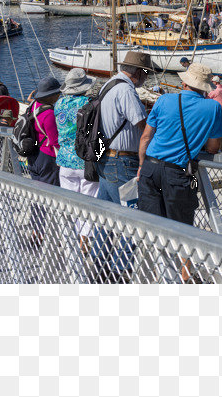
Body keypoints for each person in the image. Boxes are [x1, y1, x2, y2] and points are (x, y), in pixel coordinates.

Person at [137, 62, 222, 231]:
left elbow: (145, 137)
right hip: (176, 172)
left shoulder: (163, 99)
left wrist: (141, 165)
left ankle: (154, 256)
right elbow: (213, 148)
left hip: (150, 167)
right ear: (205, 87)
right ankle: (180, 258)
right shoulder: (213, 107)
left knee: (150, 226)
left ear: (184, 83)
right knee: (180, 230)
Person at [91, 51, 153, 283]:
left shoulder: (108, 84)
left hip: (106, 158)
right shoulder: (126, 90)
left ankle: (99, 265)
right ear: (138, 72)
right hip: (123, 161)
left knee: (105, 216)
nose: (146, 77)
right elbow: (142, 124)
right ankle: (119, 270)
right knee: (133, 218)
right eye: (145, 73)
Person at [54, 68, 98, 249]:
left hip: (64, 160)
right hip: (85, 160)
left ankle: (70, 239)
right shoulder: (89, 103)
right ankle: (85, 239)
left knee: (70, 203)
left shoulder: (59, 104)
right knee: (89, 201)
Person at [25, 76, 62, 187]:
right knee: (50, 192)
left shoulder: (33, 105)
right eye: (57, 93)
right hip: (47, 156)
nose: (59, 95)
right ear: (51, 96)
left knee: (37, 192)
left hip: (33, 153)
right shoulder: (49, 113)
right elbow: (54, 140)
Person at [207, 75, 222, 152]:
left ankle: (214, 149)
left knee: (214, 133)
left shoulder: (216, 91)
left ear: (215, 82)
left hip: (216, 115)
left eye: (212, 82)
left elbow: (207, 98)